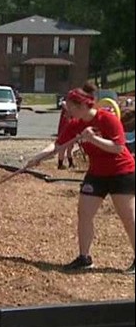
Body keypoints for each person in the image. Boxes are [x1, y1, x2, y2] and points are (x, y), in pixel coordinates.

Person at [26, 88, 135, 274]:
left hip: (121, 172)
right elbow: (57, 144)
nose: (67, 111)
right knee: (84, 213)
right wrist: (38, 157)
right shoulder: (75, 124)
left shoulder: (107, 119)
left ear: (83, 105)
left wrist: (92, 138)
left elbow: (118, 148)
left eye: (70, 107)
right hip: (97, 173)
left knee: (128, 217)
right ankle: (84, 258)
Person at [58, 82, 96, 170]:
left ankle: (70, 162)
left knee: (70, 145)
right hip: (66, 124)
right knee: (64, 144)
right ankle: (60, 163)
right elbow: (57, 144)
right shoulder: (77, 97)